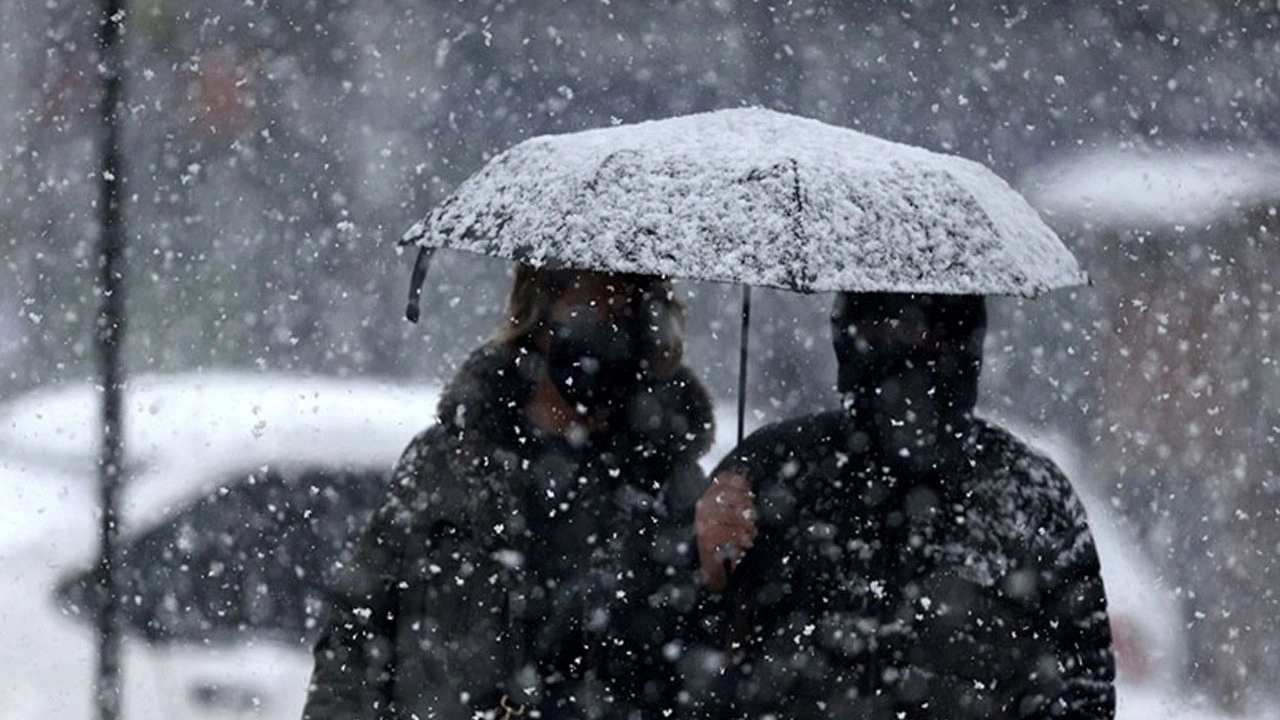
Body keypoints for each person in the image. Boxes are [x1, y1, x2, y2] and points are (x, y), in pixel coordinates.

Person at [302, 266, 715, 719]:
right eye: (593, 305)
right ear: (537, 313)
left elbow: (703, 665)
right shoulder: (447, 464)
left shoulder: (667, 486)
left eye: (628, 311)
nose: (610, 328)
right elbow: (357, 631)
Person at [695, 292, 1115, 719]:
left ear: (962, 338)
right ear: (848, 332)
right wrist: (705, 571)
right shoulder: (769, 470)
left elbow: (1083, 691)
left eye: (924, 333)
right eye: (878, 329)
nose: (900, 351)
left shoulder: (1029, 496)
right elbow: (680, 665)